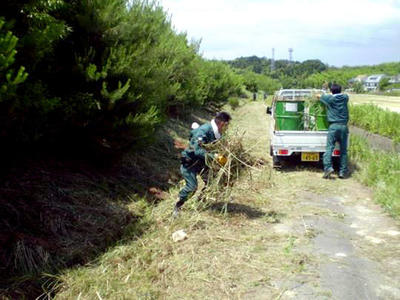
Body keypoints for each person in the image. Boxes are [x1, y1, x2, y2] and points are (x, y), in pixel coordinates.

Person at [173, 111, 231, 217]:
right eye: (227, 125)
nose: (227, 128)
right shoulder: (205, 130)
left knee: (212, 182)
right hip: (190, 162)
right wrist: (215, 157)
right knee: (192, 187)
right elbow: (197, 150)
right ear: (223, 123)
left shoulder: (216, 133)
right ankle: (178, 205)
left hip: (201, 162)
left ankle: (201, 203)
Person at [318, 83, 349, 179]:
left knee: (329, 148)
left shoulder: (329, 99)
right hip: (344, 126)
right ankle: (342, 172)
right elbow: (344, 95)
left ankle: (328, 168)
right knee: (343, 150)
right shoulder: (345, 97)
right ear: (341, 90)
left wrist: (326, 93)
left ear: (331, 91)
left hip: (333, 126)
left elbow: (318, 96)